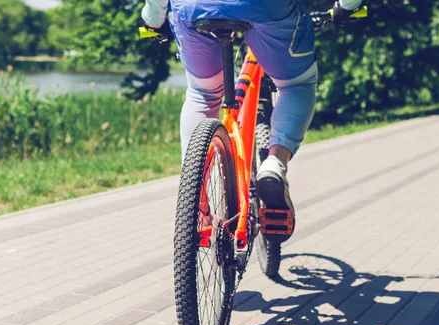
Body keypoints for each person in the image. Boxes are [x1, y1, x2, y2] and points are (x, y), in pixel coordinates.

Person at [142, 0, 364, 242]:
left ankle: (195, 197)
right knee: (296, 84)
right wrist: (347, 6)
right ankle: (275, 163)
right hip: (265, 7)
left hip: (194, 7)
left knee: (202, 95)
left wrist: (154, 19)